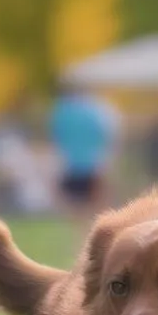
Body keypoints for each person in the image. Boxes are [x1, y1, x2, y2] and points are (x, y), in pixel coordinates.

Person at [49, 80, 118, 228]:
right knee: (98, 212)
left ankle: (80, 241)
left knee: (76, 213)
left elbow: (56, 138)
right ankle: (92, 239)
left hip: (70, 166)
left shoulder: (62, 111)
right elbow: (107, 136)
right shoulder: (97, 110)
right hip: (93, 165)